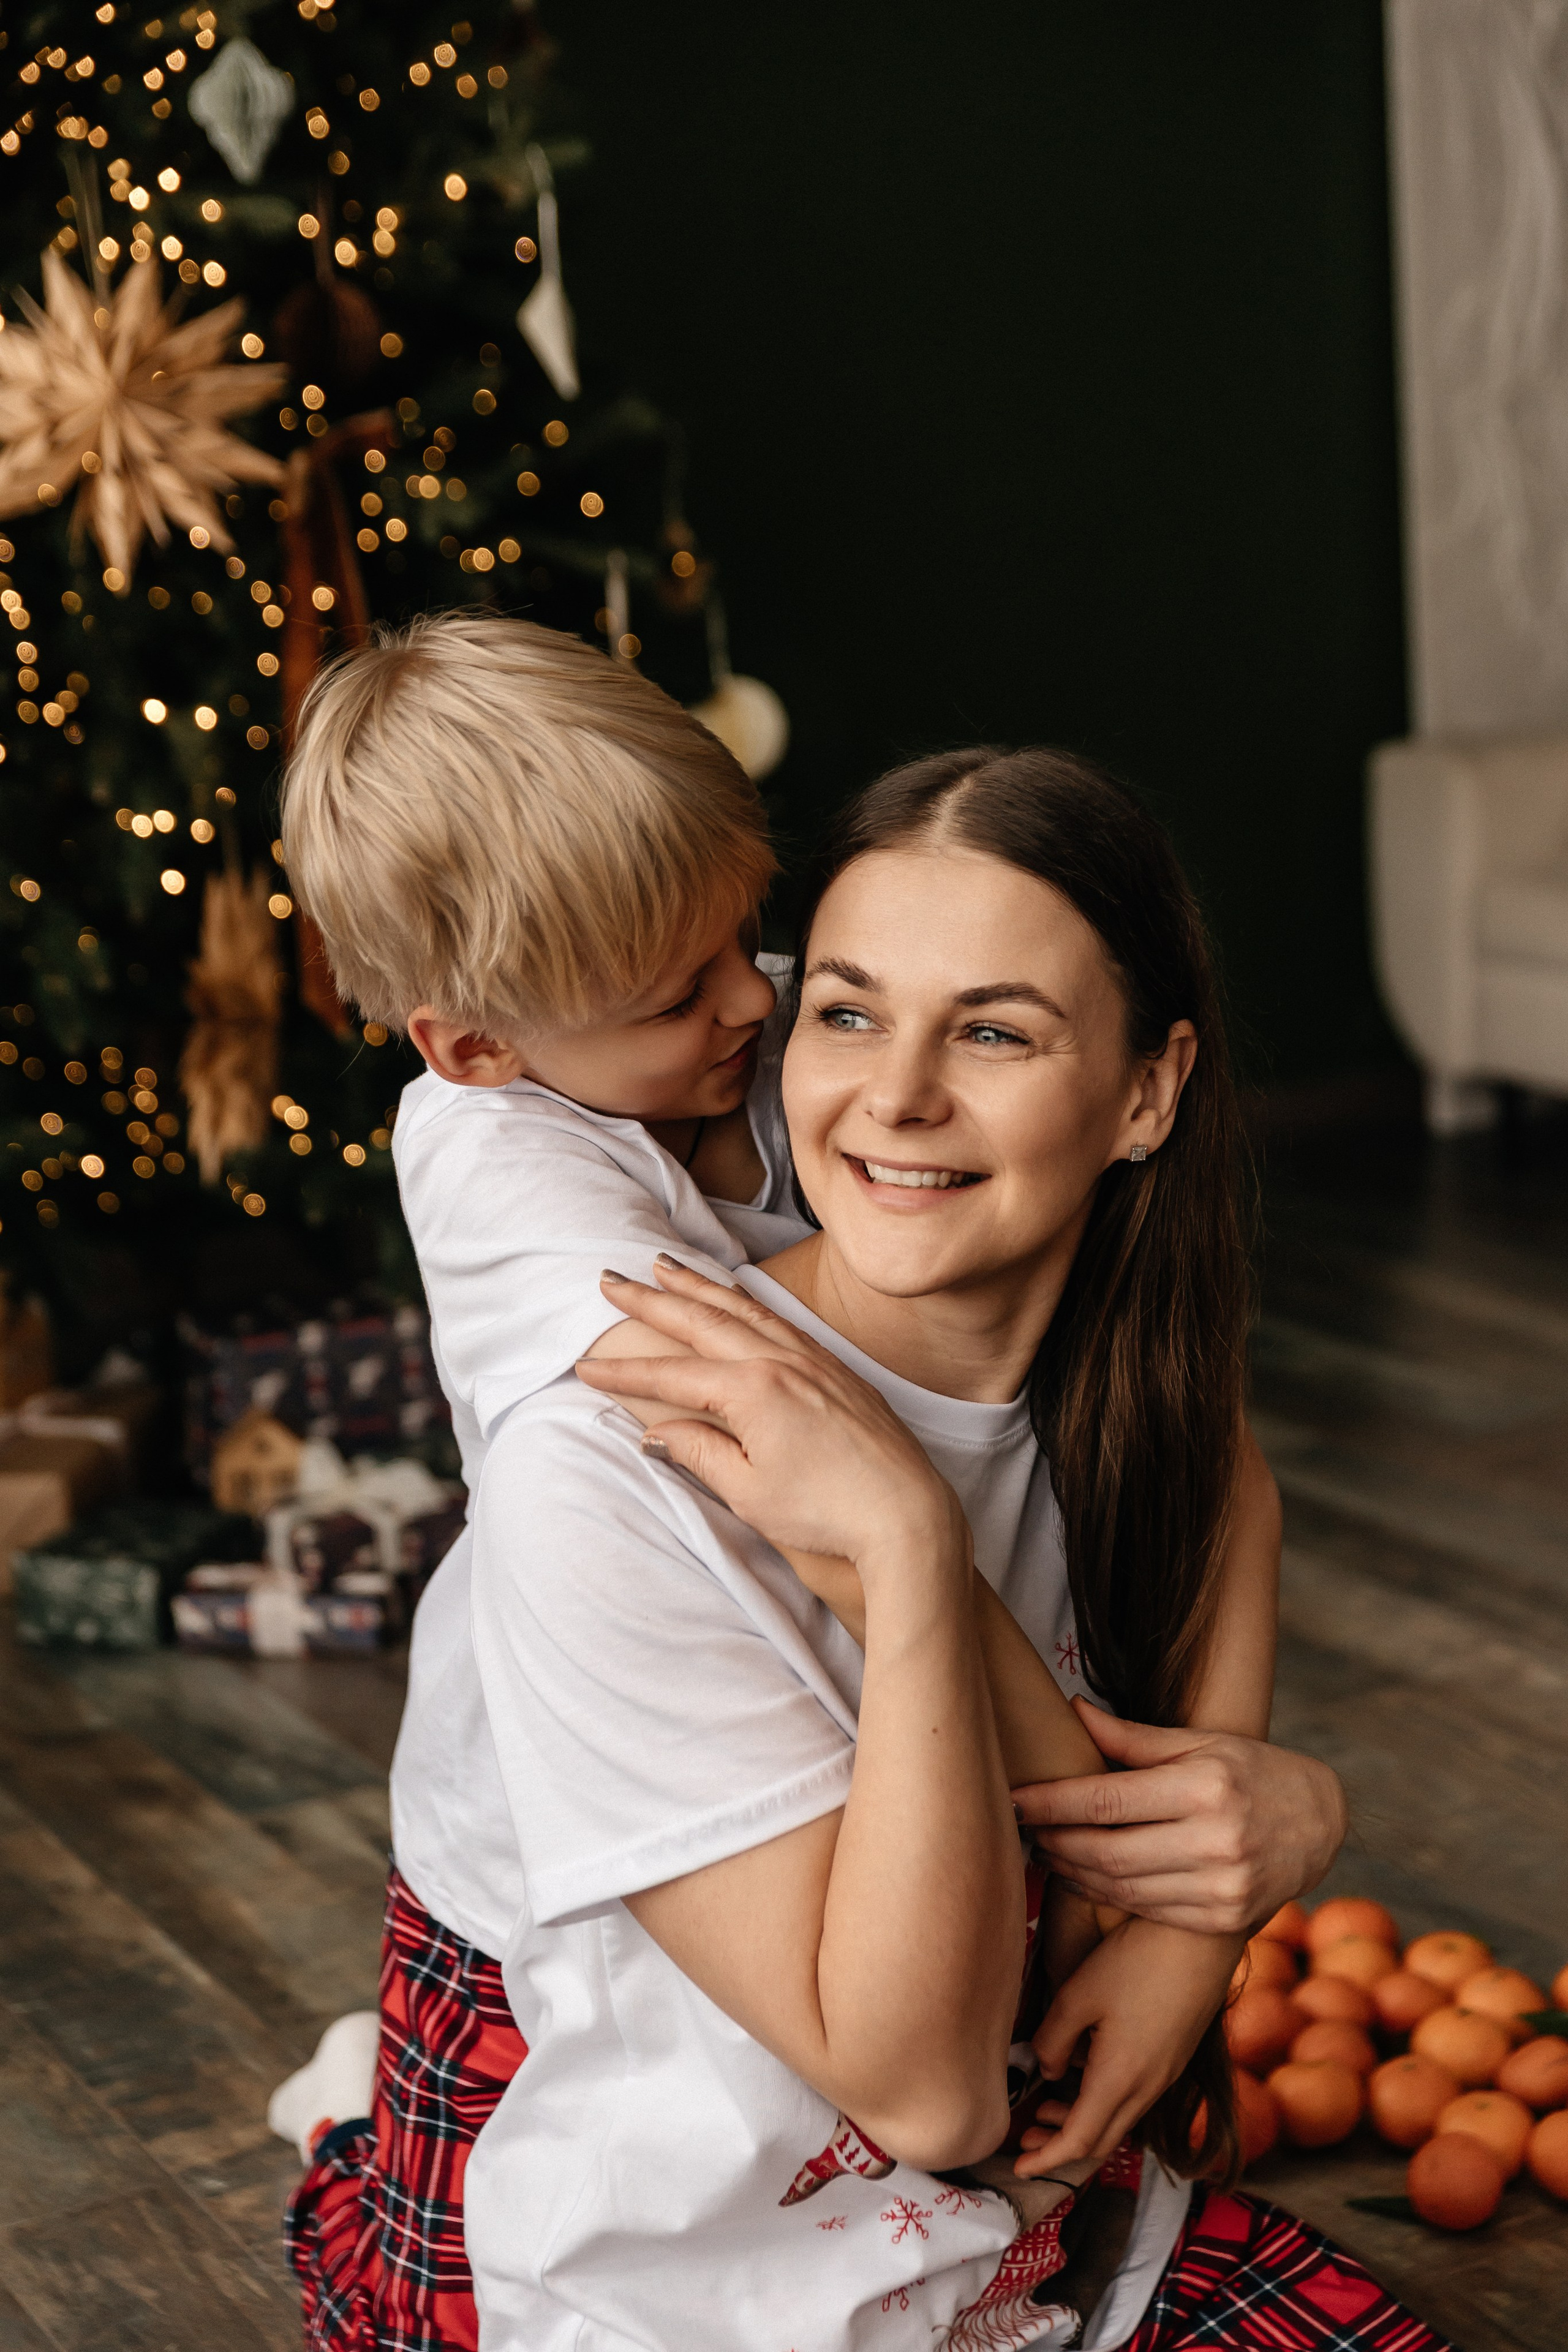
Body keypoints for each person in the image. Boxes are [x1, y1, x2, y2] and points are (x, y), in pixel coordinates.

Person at [325, 748, 1438, 2350]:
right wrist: (909, 1542)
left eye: (994, 1031)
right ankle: (358, 2118)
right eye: (849, 1014)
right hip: (686, 2212)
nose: (900, 1093)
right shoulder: (614, 1413)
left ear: (1150, 1092)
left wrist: (1242, 1881)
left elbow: (1151, 1881)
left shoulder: (1175, 1436)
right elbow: (930, 2092)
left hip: (1000, 2206)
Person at [276, 627, 1127, 2332]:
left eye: (748, 932)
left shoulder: (728, 1027)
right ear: (476, 1047)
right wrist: (1110, 1810)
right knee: (475, 2245)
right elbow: (817, 1488)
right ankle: (347, 2126)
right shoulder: (509, 1185)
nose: (752, 998)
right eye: (680, 996)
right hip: (550, 1842)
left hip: (819, 1722)